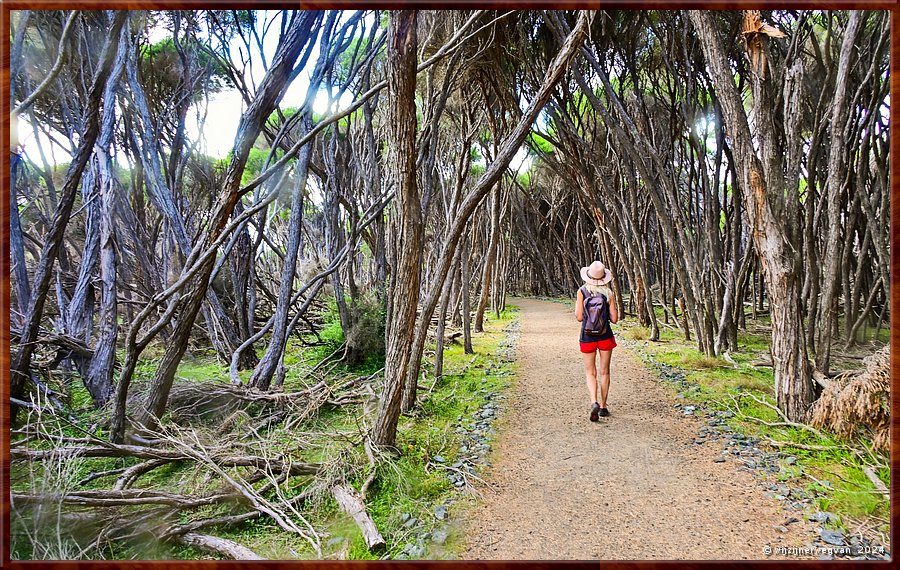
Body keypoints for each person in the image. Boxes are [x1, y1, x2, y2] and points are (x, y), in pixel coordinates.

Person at [575, 261, 619, 421]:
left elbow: (579, 317)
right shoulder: (608, 293)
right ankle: (603, 406)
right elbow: (614, 319)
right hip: (605, 336)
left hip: (587, 337)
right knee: (604, 371)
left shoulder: (582, 291)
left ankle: (593, 401)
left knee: (590, 372)